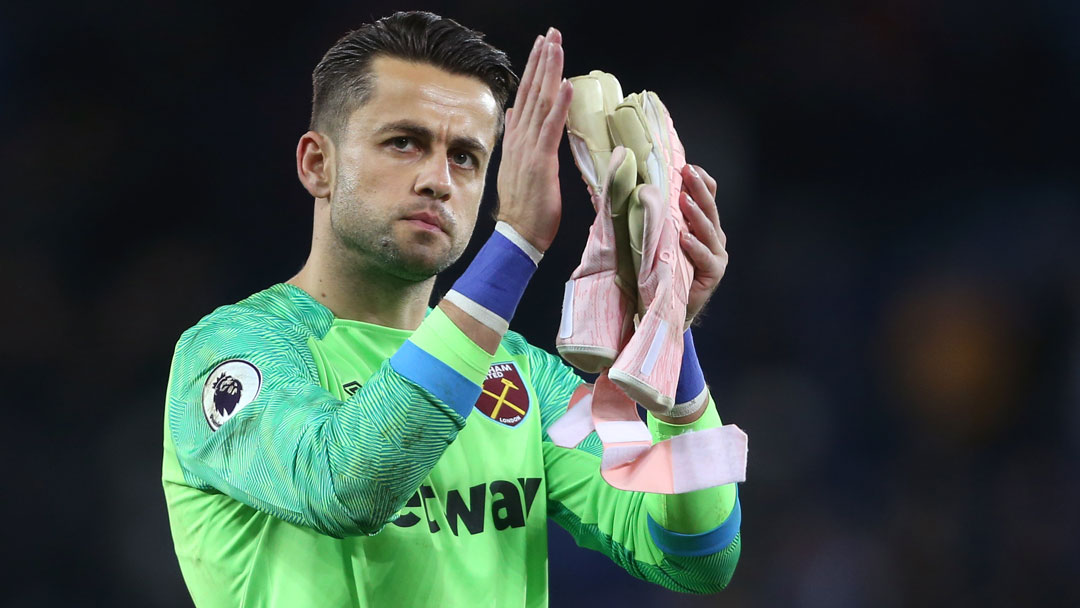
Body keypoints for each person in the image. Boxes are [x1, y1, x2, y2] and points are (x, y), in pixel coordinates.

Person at [162, 11, 739, 607]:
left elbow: (696, 555)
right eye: (403, 143)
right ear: (318, 164)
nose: (437, 179)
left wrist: (667, 326)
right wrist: (515, 244)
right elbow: (346, 485)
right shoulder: (230, 353)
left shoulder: (524, 379)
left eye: (465, 156)